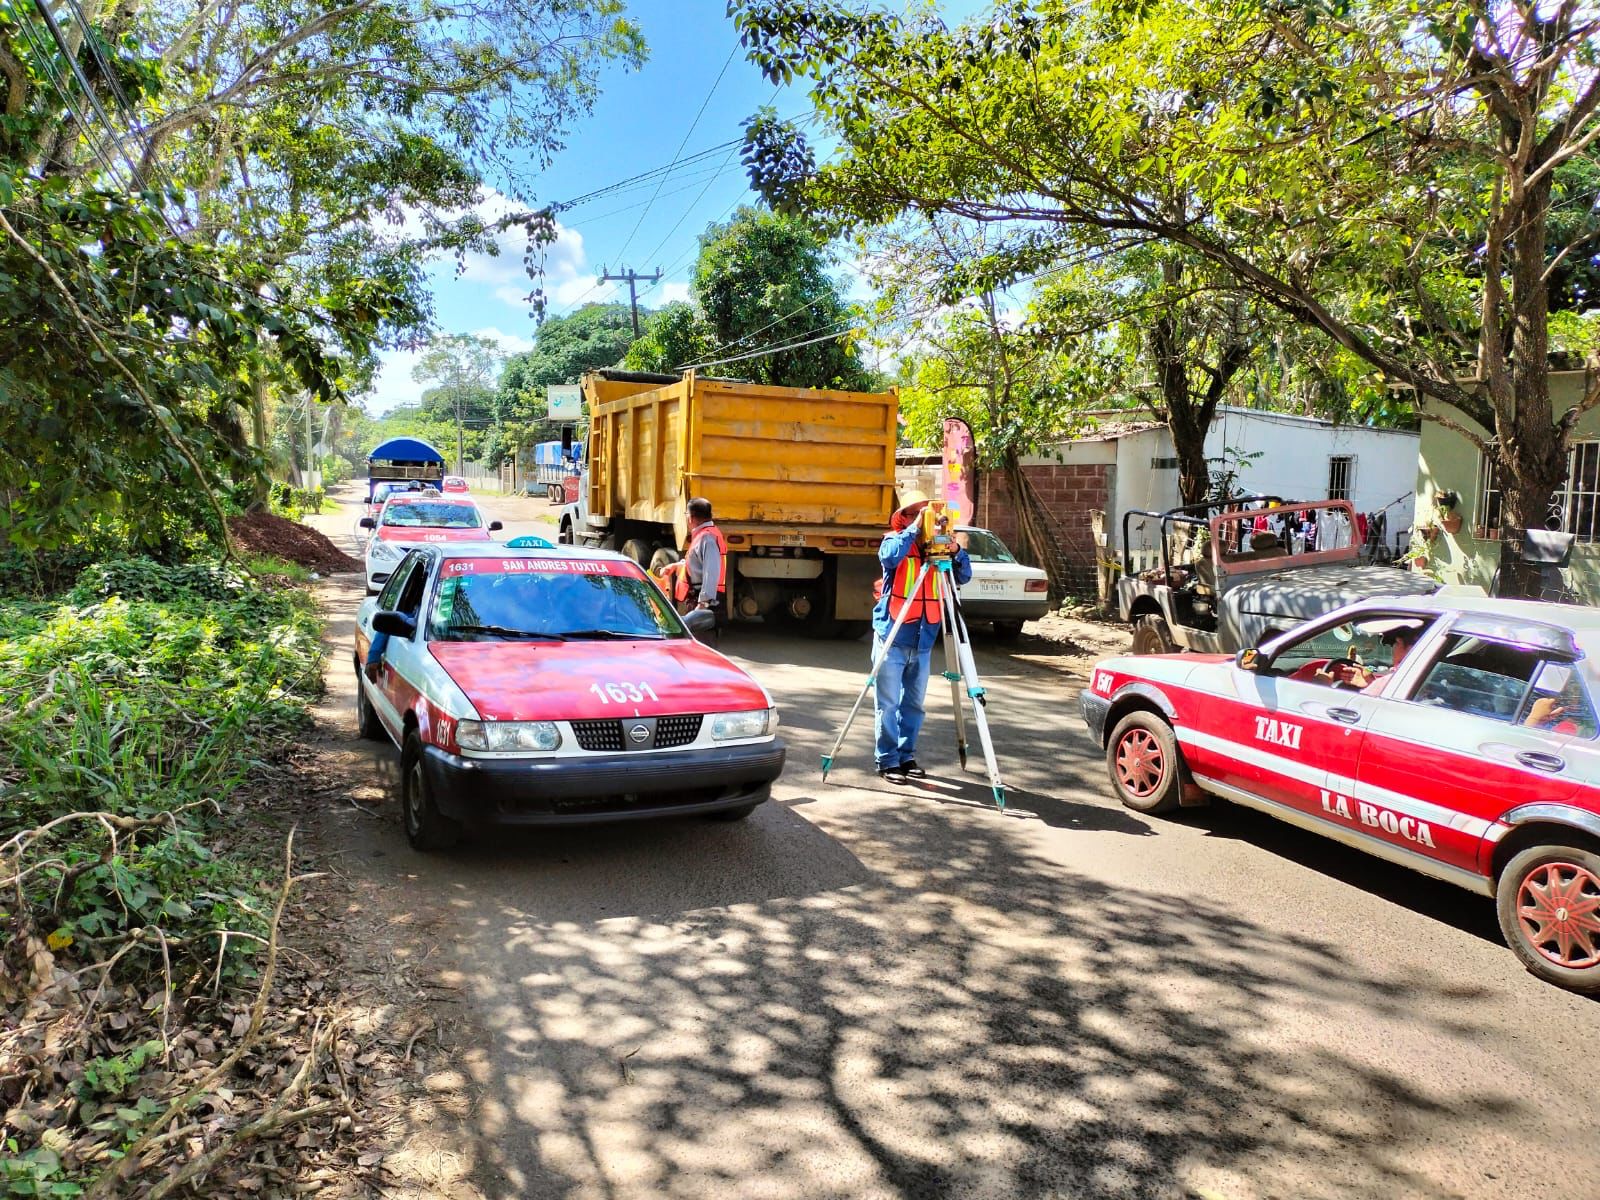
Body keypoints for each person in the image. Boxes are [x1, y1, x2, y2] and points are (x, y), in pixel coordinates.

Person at [872, 492, 972, 781]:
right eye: (916, 512)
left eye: (925, 512)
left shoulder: (938, 549)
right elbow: (889, 559)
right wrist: (915, 528)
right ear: (904, 517)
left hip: (924, 638)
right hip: (893, 634)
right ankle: (887, 759)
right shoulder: (894, 540)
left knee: (914, 705)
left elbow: (963, 575)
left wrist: (954, 550)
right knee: (888, 704)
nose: (924, 517)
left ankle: (906, 756)